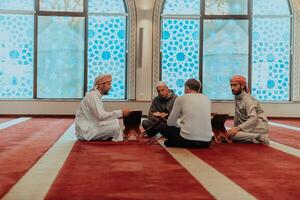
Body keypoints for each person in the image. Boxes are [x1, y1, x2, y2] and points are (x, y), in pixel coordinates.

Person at [148, 78, 213, 148]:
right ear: (199, 89)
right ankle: (174, 142)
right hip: (207, 142)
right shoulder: (207, 99)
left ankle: (175, 143)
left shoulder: (181, 98)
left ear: (187, 88)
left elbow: (170, 122)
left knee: (162, 127)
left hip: (188, 140)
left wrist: (180, 125)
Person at [75, 74, 130, 141]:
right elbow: (100, 116)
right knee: (115, 127)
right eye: (108, 84)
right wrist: (121, 112)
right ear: (101, 85)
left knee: (115, 121)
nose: (110, 87)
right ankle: (119, 141)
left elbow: (99, 117)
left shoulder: (95, 96)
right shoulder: (93, 96)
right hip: (86, 131)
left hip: (90, 125)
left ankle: (116, 136)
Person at [226, 75, 269, 144]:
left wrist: (237, 129)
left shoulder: (248, 99)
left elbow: (253, 119)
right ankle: (252, 137)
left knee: (231, 136)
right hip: (247, 127)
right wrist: (234, 129)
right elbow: (237, 116)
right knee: (228, 133)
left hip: (257, 126)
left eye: (235, 85)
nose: (232, 88)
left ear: (242, 86)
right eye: (231, 85)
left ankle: (259, 137)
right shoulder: (237, 97)